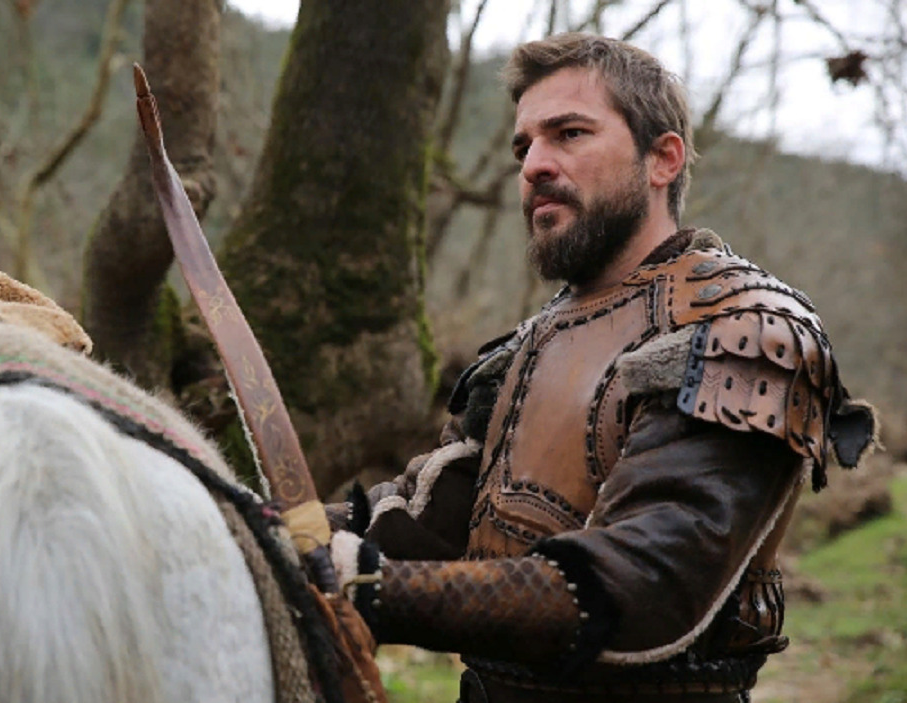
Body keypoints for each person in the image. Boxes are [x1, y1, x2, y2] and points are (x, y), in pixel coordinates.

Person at [326, 32, 877, 703]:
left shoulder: (746, 330)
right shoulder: (531, 343)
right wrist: (271, 527)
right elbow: (426, 518)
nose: (534, 164)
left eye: (569, 133)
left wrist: (369, 586)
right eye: (523, 147)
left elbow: (643, 581)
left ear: (663, 159)